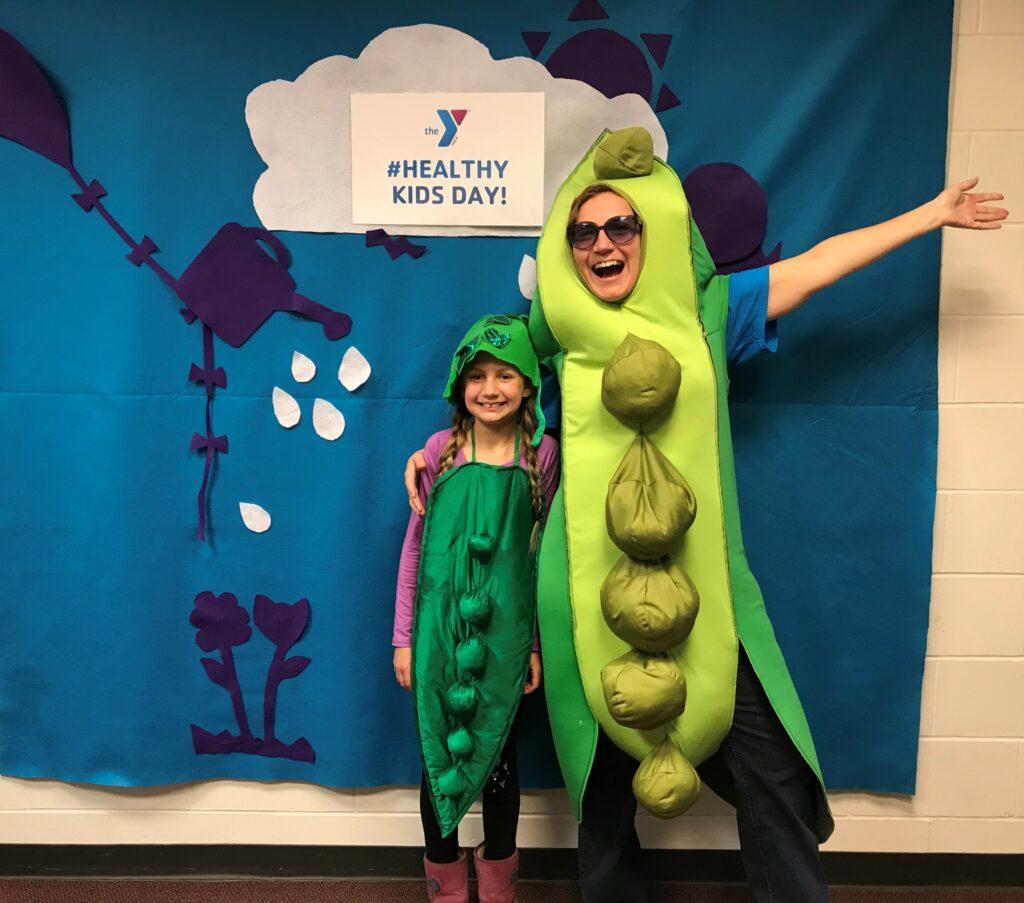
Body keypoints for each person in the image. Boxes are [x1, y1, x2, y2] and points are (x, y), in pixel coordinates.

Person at [408, 128, 1006, 903]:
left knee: (771, 769)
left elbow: (815, 268)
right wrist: (430, 453)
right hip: (581, 589)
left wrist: (929, 214)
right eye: (583, 231)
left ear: (650, 235)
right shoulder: (554, 343)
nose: (601, 242)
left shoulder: (708, 313)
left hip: (705, 587)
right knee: (603, 792)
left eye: (621, 225)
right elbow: (488, 386)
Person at [393, 312, 560, 903]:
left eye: (506, 375)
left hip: (506, 641)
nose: (490, 389)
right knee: (437, 757)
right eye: (478, 376)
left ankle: (498, 887)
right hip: (438, 636)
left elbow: (544, 561)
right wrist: (404, 638)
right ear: (459, 386)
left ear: (529, 388)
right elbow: (415, 550)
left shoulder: (543, 455)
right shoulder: (440, 451)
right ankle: (444, 884)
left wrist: (535, 644)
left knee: (498, 759)